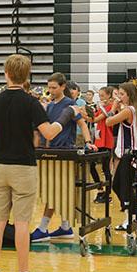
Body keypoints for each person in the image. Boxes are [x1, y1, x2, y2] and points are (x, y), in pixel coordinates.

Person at [0, 54, 65, 272]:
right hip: (23, 168)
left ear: (6, 74)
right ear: (27, 76)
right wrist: (63, 120)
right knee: (22, 223)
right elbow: (48, 133)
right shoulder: (31, 102)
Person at [31, 73, 96, 242]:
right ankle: (65, 227)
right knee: (57, 191)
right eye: (49, 88)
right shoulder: (51, 105)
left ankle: (43, 228)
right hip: (52, 151)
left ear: (62, 87)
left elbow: (82, 124)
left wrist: (88, 141)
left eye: (54, 88)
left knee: (54, 191)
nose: (51, 91)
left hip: (66, 151)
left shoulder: (69, 104)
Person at [105, 82, 137, 230]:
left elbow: (109, 122)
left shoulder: (128, 110)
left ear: (130, 95)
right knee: (121, 186)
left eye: (122, 94)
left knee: (122, 187)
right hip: (131, 153)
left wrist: (113, 107)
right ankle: (131, 215)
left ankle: (131, 217)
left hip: (129, 154)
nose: (119, 97)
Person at [89, 87, 115, 203]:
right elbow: (93, 118)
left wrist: (100, 107)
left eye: (103, 96)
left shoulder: (110, 107)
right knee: (91, 165)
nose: (101, 98)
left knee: (106, 168)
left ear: (109, 95)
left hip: (107, 140)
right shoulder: (101, 107)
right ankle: (100, 189)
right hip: (98, 140)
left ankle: (108, 193)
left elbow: (98, 118)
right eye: (99, 96)